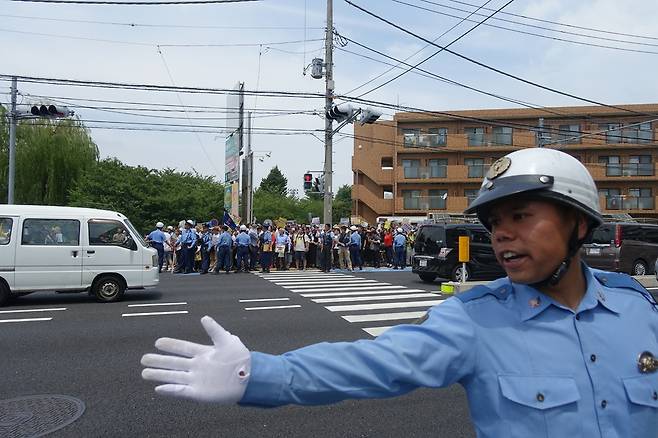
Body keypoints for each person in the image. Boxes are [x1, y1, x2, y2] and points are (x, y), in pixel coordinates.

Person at [142, 148, 658, 437]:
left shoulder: (639, 309)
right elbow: (373, 363)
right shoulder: (474, 320)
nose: (501, 233)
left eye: (521, 216)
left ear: (580, 224)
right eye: (495, 221)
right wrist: (259, 373)